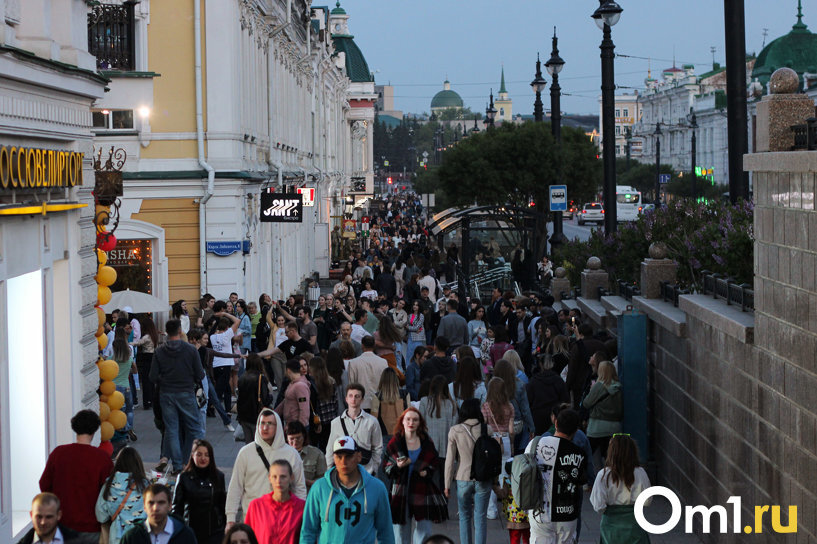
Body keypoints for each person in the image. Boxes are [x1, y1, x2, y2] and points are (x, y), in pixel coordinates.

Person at [300, 436, 394, 544]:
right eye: (339, 457)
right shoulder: (319, 488)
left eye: (349, 456)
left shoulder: (377, 488)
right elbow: (308, 531)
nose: (343, 462)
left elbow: (386, 532)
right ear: (334, 458)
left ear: (359, 456)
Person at [39, 410, 113, 542]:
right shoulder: (102, 458)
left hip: (62, 523)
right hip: (91, 525)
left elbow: (44, 484)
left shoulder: (58, 453)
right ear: (94, 430)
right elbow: (109, 493)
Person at [225, 410, 306, 529]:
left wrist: (300, 516)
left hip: (284, 521)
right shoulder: (245, 453)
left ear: (277, 426)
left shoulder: (292, 454)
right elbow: (235, 487)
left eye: (269, 424)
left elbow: (299, 487)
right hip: (252, 521)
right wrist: (230, 519)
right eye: (262, 423)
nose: (265, 427)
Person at [383, 407, 448, 544]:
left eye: (415, 420)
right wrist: (398, 466)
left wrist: (427, 471)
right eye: (408, 419)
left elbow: (434, 461)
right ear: (402, 421)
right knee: (400, 530)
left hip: (422, 488)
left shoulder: (426, 441)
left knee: (424, 529)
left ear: (420, 422)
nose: (411, 422)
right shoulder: (395, 442)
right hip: (401, 488)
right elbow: (386, 467)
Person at [149, 319, 206, 473]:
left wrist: (165, 379)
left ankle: (177, 465)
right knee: (195, 428)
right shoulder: (191, 350)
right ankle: (193, 461)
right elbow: (200, 374)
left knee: (172, 430)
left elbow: (153, 376)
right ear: (180, 331)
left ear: (167, 332)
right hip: (186, 391)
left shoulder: (159, 351)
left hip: (166, 393)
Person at [525, 409, 588, 544]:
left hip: (540, 512)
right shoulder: (579, 454)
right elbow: (581, 482)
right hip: (567, 514)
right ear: (575, 430)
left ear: (556, 422)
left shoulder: (535, 445)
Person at [590, 434, 652, 544]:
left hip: (610, 526)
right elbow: (647, 501)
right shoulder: (640, 472)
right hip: (634, 523)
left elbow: (598, 505)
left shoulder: (603, 475)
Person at [444, 399, 489, 544]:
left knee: (464, 517)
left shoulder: (455, 430)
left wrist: (447, 484)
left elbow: (450, 460)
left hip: (463, 477)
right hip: (482, 477)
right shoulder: (486, 429)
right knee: (480, 517)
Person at [171, 440, 227, 544]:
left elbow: (222, 505)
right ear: (192, 455)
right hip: (191, 530)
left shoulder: (219, 477)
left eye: (206, 455)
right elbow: (177, 507)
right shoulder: (184, 478)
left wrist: (225, 527)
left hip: (214, 531)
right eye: (199, 454)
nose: (203, 458)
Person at [324, 384, 383, 476]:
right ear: (346, 399)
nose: (353, 399)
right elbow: (330, 449)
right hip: (344, 471)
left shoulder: (372, 421)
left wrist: (374, 468)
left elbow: (377, 447)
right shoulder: (336, 423)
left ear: (362, 399)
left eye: (357, 396)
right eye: (350, 396)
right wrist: (328, 472)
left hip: (367, 471)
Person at [95, 447, 149, 544]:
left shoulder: (109, 484)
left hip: (117, 538)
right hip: (141, 537)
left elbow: (101, 516)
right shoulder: (144, 485)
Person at [244, 460, 305, 544]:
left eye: (283, 476)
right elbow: (247, 537)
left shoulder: (302, 507)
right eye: (274, 477)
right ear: (269, 478)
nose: (278, 481)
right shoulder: (256, 506)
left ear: (291, 478)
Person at [120, 484, 197, 544]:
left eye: (161, 503)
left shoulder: (185, 535)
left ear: (170, 505)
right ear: (144, 506)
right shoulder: (132, 537)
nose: (155, 508)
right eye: (151, 503)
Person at [583, 361, 623, 469]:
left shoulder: (599, 386)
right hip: (614, 427)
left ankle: (591, 480)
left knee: (586, 454)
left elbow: (586, 403)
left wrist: (591, 390)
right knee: (610, 457)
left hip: (597, 428)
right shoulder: (619, 388)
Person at [493, 360, 536, 453]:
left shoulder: (492, 385)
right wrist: (531, 428)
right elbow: (525, 410)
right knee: (515, 452)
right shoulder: (519, 384)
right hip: (516, 424)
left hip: (497, 425)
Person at [418, 375, 457, 472]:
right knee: (443, 479)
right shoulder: (451, 404)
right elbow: (454, 426)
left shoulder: (424, 401)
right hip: (446, 447)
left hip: (428, 446)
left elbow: (420, 424)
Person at [526, 352, 570, 435]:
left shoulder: (534, 381)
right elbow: (566, 400)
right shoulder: (558, 381)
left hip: (537, 418)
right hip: (554, 418)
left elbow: (528, 401)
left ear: (540, 364)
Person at [566, 323, 607, 408]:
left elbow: (572, 368)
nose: (591, 357)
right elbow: (584, 352)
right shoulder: (602, 345)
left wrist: (567, 387)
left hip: (580, 386)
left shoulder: (576, 348)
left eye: (593, 356)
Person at [236, 353, 273, 444]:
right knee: (260, 443)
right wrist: (271, 397)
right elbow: (265, 399)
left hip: (244, 416)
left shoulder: (242, 378)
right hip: (257, 415)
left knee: (249, 444)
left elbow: (240, 398)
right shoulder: (261, 378)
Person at [210, 310, 242, 413]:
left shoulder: (212, 337)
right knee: (219, 389)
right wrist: (224, 314)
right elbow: (237, 320)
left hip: (216, 364)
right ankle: (210, 405)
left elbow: (212, 330)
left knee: (227, 388)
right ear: (227, 327)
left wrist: (218, 320)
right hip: (226, 364)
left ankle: (228, 408)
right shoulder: (227, 335)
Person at [347, 335, 389, 411]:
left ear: (362, 346)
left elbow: (351, 385)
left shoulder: (353, 363)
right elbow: (386, 384)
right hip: (378, 403)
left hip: (361, 404)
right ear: (374, 345)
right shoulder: (383, 362)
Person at [111, 325, 137, 441]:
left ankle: (124, 429)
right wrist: (128, 370)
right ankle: (129, 426)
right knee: (129, 410)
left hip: (115, 389)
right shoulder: (129, 359)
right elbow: (135, 371)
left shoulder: (111, 359)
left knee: (118, 411)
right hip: (126, 387)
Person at [372, 367, 410, 444]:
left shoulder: (377, 396)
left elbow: (373, 419)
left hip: (383, 434)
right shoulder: (405, 394)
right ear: (396, 380)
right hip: (401, 433)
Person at [308, 357, 339, 450]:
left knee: (319, 447)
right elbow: (335, 401)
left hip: (319, 421)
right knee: (329, 446)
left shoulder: (312, 384)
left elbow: (315, 405)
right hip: (332, 418)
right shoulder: (331, 381)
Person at [284, 421, 326, 490]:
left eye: (298, 438)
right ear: (286, 439)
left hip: (309, 495)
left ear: (304, 436)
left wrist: (307, 482)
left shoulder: (317, 454)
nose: (295, 441)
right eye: (291, 439)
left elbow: (323, 481)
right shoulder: (281, 454)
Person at [131, 315, 159, 410]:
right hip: (153, 357)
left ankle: (147, 401)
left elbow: (138, 343)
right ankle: (152, 400)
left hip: (146, 358)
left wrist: (127, 343)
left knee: (146, 381)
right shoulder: (154, 335)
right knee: (151, 381)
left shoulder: (146, 336)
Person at [275, 358, 311, 428]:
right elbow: (285, 401)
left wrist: (300, 428)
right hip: (291, 425)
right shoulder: (292, 384)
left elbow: (304, 409)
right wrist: (274, 413)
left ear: (288, 370)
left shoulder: (300, 386)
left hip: (297, 427)